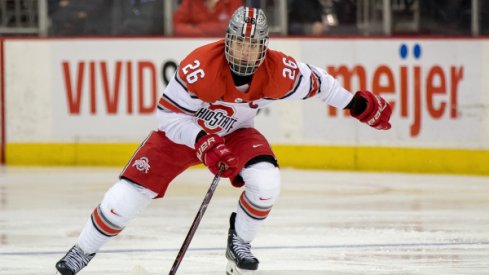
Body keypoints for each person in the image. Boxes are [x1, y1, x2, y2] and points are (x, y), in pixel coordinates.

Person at [55, 6, 392, 275]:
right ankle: (82, 250)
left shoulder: (279, 71)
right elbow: (168, 116)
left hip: (235, 134)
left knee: (266, 182)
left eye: (253, 45)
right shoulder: (200, 66)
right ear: (227, 40)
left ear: (264, 47)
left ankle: (239, 243)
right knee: (122, 200)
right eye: (240, 43)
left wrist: (355, 104)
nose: (245, 52)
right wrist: (201, 140)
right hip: (181, 134)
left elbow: (322, 84)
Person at [173, 0, 243, 36]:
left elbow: (234, 27)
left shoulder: (233, 1)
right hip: (195, 45)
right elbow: (178, 27)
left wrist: (196, 28)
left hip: (223, 46)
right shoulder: (191, 1)